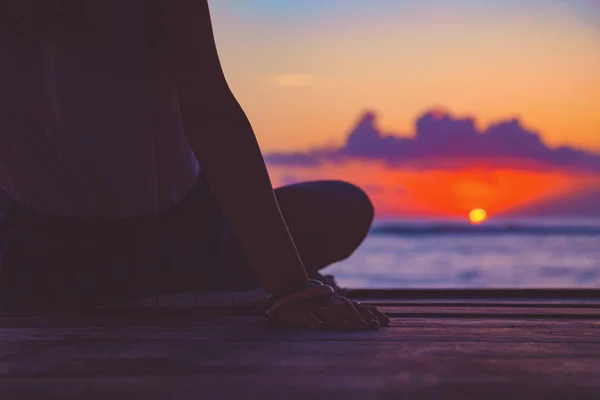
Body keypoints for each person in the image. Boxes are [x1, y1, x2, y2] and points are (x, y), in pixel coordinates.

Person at [0, 0, 389, 330]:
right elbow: (209, 113)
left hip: (31, 258)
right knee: (347, 204)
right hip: (169, 246)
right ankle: (216, 286)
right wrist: (292, 288)